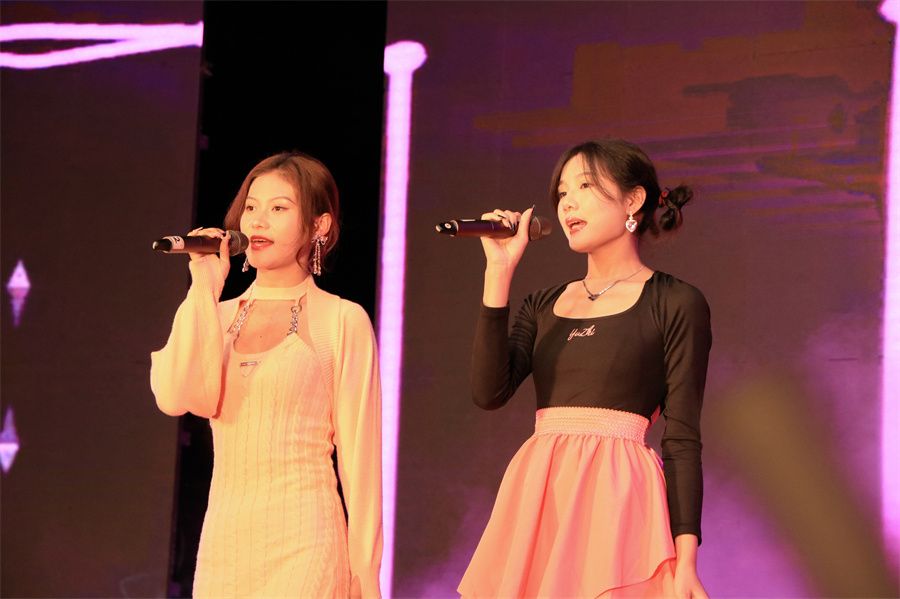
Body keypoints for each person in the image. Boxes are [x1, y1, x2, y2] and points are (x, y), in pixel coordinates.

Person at [458, 140, 712, 599]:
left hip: (619, 496)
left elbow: (682, 438)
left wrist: (687, 561)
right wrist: (499, 272)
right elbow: (488, 391)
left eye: (585, 186)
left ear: (633, 200)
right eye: (561, 193)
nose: (567, 203)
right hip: (541, 493)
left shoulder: (675, 301)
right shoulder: (543, 305)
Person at [150, 152, 382, 599]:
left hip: (307, 540)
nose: (257, 221)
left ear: (319, 226)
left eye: (278, 208)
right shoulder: (216, 315)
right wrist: (203, 286)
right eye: (251, 207)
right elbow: (176, 397)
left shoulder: (341, 320)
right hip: (225, 545)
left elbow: (360, 459)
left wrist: (365, 572)